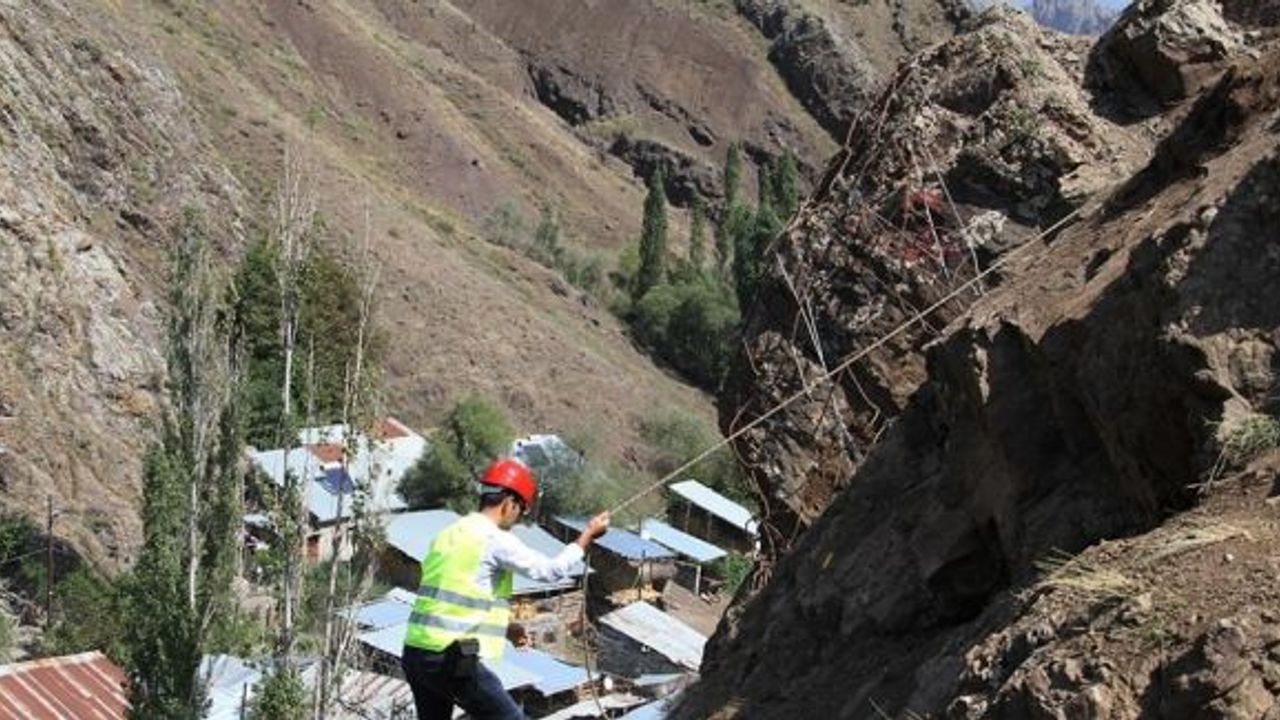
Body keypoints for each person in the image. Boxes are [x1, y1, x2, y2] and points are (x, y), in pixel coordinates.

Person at [401, 457, 610, 720]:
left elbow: (459, 598)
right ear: (509, 502)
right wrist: (587, 536)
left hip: (415, 654)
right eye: (521, 508)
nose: (520, 516)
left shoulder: (451, 532)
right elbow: (550, 571)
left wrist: (507, 628)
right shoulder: (494, 539)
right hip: (449, 658)